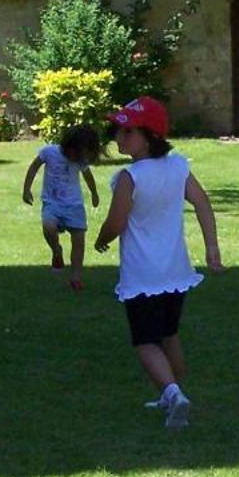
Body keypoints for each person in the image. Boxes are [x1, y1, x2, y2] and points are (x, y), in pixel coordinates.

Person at [92, 96, 221, 428]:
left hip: (142, 275)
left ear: (149, 135)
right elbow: (203, 204)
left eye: (127, 131)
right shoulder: (178, 167)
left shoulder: (128, 177)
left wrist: (101, 239)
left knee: (145, 341)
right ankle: (173, 393)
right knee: (169, 334)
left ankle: (173, 394)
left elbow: (116, 222)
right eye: (117, 130)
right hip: (176, 271)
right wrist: (212, 248)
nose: (118, 137)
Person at [21, 123, 103, 290]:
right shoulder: (49, 152)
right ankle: (56, 250)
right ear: (68, 146)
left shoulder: (79, 161)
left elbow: (88, 176)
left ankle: (76, 277)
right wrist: (27, 189)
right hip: (52, 202)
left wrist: (94, 193)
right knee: (48, 227)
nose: (79, 156)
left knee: (79, 241)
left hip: (74, 205)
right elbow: (34, 167)